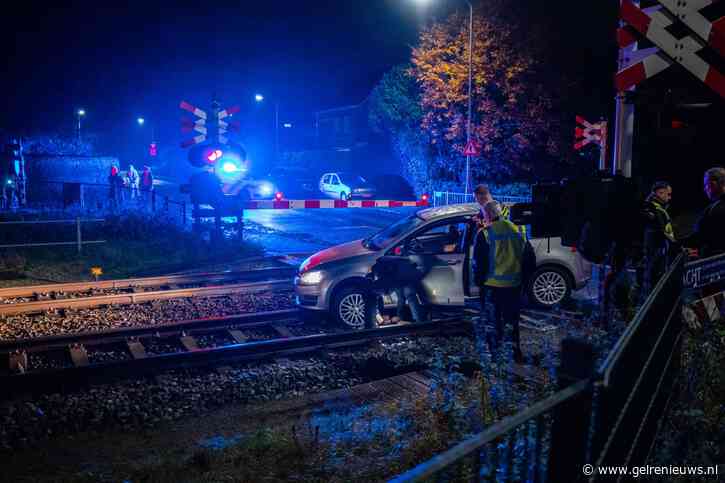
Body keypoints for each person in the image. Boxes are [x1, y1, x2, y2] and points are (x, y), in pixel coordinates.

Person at [473, 201, 527, 363]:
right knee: (512, 321)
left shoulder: (485, 234)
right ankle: (516, 353)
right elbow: (528, 258)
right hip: (514, 285)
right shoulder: (518, 230)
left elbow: (479, 263)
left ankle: (496, 356)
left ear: (487, 215)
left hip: (493, 286)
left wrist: (479, 284)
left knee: (493, 322)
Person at [640, 181, 675, 296]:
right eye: (668, 194)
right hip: (655, 255)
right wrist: (678, 245)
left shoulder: (658, 208)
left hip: (659, 254)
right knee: (653, 287)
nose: (669, 198)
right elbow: (661, 232)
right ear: (660, 193)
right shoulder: (652, 209)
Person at [687, 167, 725, 259]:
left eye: (706, 185)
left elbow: (698, 237)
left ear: (713, 183)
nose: (705, 189)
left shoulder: (714, 209)